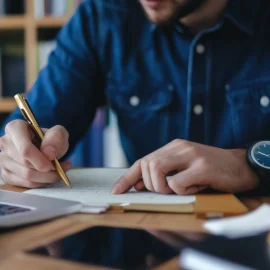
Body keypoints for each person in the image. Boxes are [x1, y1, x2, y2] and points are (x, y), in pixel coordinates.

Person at [0, 0, 269, 267]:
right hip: (138, 238)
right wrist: (19, 154)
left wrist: (247, 164)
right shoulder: (103, 16)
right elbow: (35, 126)